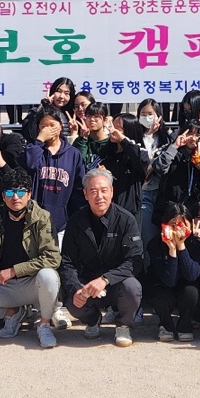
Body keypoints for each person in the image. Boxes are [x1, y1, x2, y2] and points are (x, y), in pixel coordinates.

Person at [0, 167, 63, 348]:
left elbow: (53, 258)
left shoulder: (42, 218)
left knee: (48, 276)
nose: (15, 197)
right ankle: (14, 312)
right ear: (3, 196)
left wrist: (15, 270)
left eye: (20, 192)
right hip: (4, 286)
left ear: (29, 194)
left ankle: (44, 323)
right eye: (9, 192)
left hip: (33, 283)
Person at [60, 168, 144, 347]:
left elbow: (135, 261)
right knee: (71, 297)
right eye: (93, 191)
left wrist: (106, 279)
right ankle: (92, 320)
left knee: (132, 287)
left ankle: (123, 325)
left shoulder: (126, 220)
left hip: (115, 284)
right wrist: (76, 288)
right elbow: (67, 262)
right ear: (85, 194)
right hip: (87, 285)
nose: (99, 196)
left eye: (104, 190)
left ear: (112, 192)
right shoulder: (75, 222)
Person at [20, 105, 86, 239]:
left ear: (61, 126)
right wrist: (39, 141)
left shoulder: (73, 154)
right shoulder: (34, 149)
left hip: (61, 224)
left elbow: (79, 189)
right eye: (43, 126)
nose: (48, 129)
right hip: (33, 222)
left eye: (52, 124)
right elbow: (29, 164)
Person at [146, 201, 200, 341]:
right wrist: (172, 250)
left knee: (191, 292)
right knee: (161, 297)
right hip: (163, 285)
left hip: (185, 284)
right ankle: (165, 325)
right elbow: (169, 281)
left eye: (183, 224)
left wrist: (181, 246)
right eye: (173, 224)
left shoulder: (196, 243)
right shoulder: (155, 243)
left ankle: (185, 325)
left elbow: (192, 275)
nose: (178, 229)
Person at [94, 113, 147, 219]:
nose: (113, 130)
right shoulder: (105, 152)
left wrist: (123, 140)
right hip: (107, 210)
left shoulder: (139, 151)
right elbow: (92, 169)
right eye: (112, 126)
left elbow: (140, 162)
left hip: (130, 212)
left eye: (118, 128)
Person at [133, 99, 166, 249]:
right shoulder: (135, 138)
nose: (146, 117)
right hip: (144, 192)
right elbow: (144, 163)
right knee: (147, 236)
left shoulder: (167, 138)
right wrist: (148, 135)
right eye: (143, 114)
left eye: (150, 114)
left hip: (162, 192)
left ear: (158, 116)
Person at [20, 77, 74, 143]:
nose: (61, 96)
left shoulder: (73, 114)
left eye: (66, 93)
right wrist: (44, 107)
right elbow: (29, 134)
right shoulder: (36, 110)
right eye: (58, 91)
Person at [72, 101, 113, 166]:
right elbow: (77, 162)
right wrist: (83, 139)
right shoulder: (80, 141)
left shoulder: (111, 142)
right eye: (88, 116)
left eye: (96, 116)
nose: (92, 119)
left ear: (105, 120)